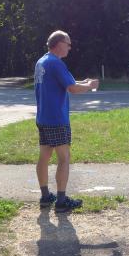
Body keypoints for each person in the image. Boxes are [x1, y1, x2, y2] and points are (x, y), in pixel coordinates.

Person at [34, 30, 99, 213]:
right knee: (64, 158)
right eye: (68, 44)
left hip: (43, 117)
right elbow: (72, 89)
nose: (70, 47)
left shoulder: (42, 61)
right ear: (59, 44)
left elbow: (64, 82)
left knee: (44, 157)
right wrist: (89, 86)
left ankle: (45, 196)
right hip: (57, 118)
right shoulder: (56, 63)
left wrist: (82, 81)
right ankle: (61, 201)